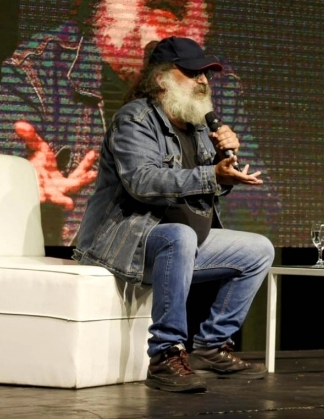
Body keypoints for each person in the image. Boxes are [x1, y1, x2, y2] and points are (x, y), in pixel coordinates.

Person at [0, 0, 279, 246]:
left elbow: (262, 210)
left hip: (174, 250)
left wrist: (225, 168)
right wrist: (26, 184)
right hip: (88, 254)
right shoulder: (39, 69)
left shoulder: (215, 84)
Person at [73, 36, 275, 393]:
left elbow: (205, 186)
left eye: (206, 74)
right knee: (179, 236)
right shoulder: (134, 120)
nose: (203, 81)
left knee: (258, 249)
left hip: (178, 244)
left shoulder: (196, 126)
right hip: (124, 241)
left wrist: (222, 167)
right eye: (193, 72)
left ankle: (212, 344)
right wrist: (212, 175)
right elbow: (143, 182)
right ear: (163, 78)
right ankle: (166, 354)